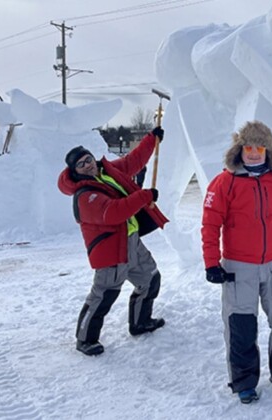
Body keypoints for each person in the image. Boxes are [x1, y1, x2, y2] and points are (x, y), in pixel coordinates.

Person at [201, 121, 272, 404]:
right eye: (248, 147)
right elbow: (210, 225)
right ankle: (244, 381)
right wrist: (212, 263)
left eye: (259, 147)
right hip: (239, 269)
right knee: (242, 327)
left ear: (267, 151)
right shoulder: (224, 182)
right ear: (239, 149)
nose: (253, 153)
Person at [57, 126, 169, 356]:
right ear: (75, 171)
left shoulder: (105, 172)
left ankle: (140, 322)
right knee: (104, 295)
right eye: (81, 164)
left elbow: (132, 162)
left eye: (88, 159)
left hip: (131, 241)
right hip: (110, 250)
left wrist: (152, 139)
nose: (88, 165)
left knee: (150, 278)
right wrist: (144, 196)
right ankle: (85, 339)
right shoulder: (85, 195)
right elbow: (113, 212)